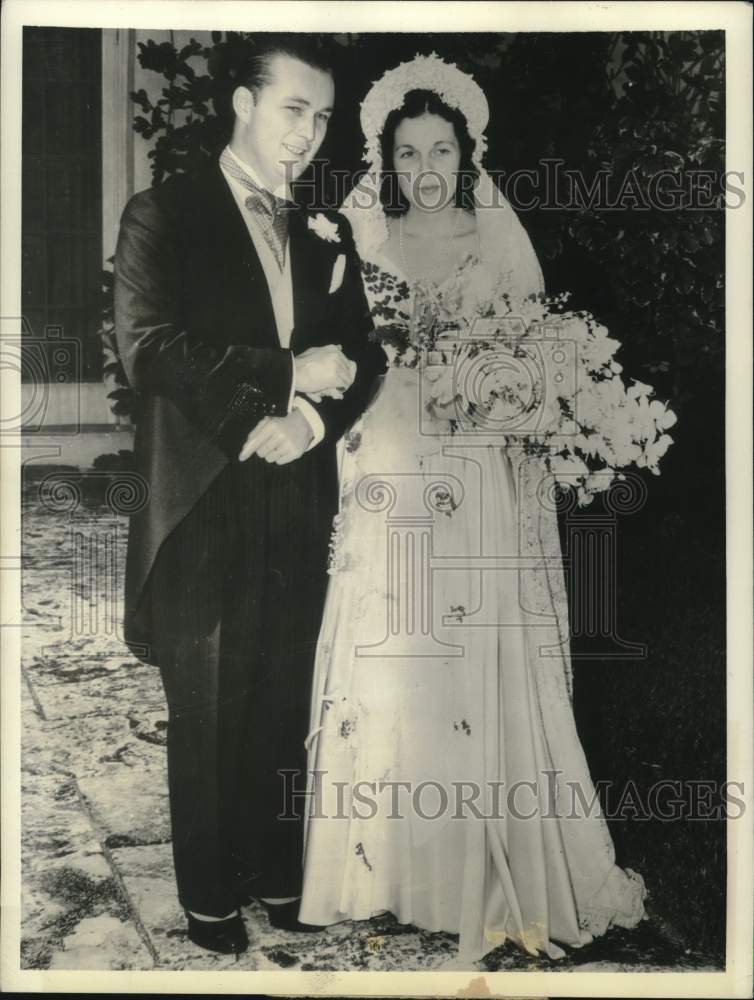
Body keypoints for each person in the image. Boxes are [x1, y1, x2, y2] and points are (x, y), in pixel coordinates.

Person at [299, 54, 647, 964]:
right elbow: (333, 353)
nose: (424, 169)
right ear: (386, 158)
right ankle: (386, 871)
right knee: (393, 656)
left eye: (440, 150)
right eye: (407, 151)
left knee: (465, 655)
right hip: (386, 465)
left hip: (474, 474)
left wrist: (507, 391)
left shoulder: (497, 240)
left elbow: (540, 366)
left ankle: (476, 868)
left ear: (466, 153)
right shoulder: (360, 239)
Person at [114, 35, 386, 955]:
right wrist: (280, 378)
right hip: (202, 495)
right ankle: (207, 893)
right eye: (292, 109)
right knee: (209, 698)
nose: (308, 135)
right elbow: (149, 346)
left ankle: (272, 869)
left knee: (282, 686)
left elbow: (366, 356)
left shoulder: (327, 232)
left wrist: (311, 423)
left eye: (322, 117)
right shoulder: (163, 214)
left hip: (297, 490)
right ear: (242, 102)